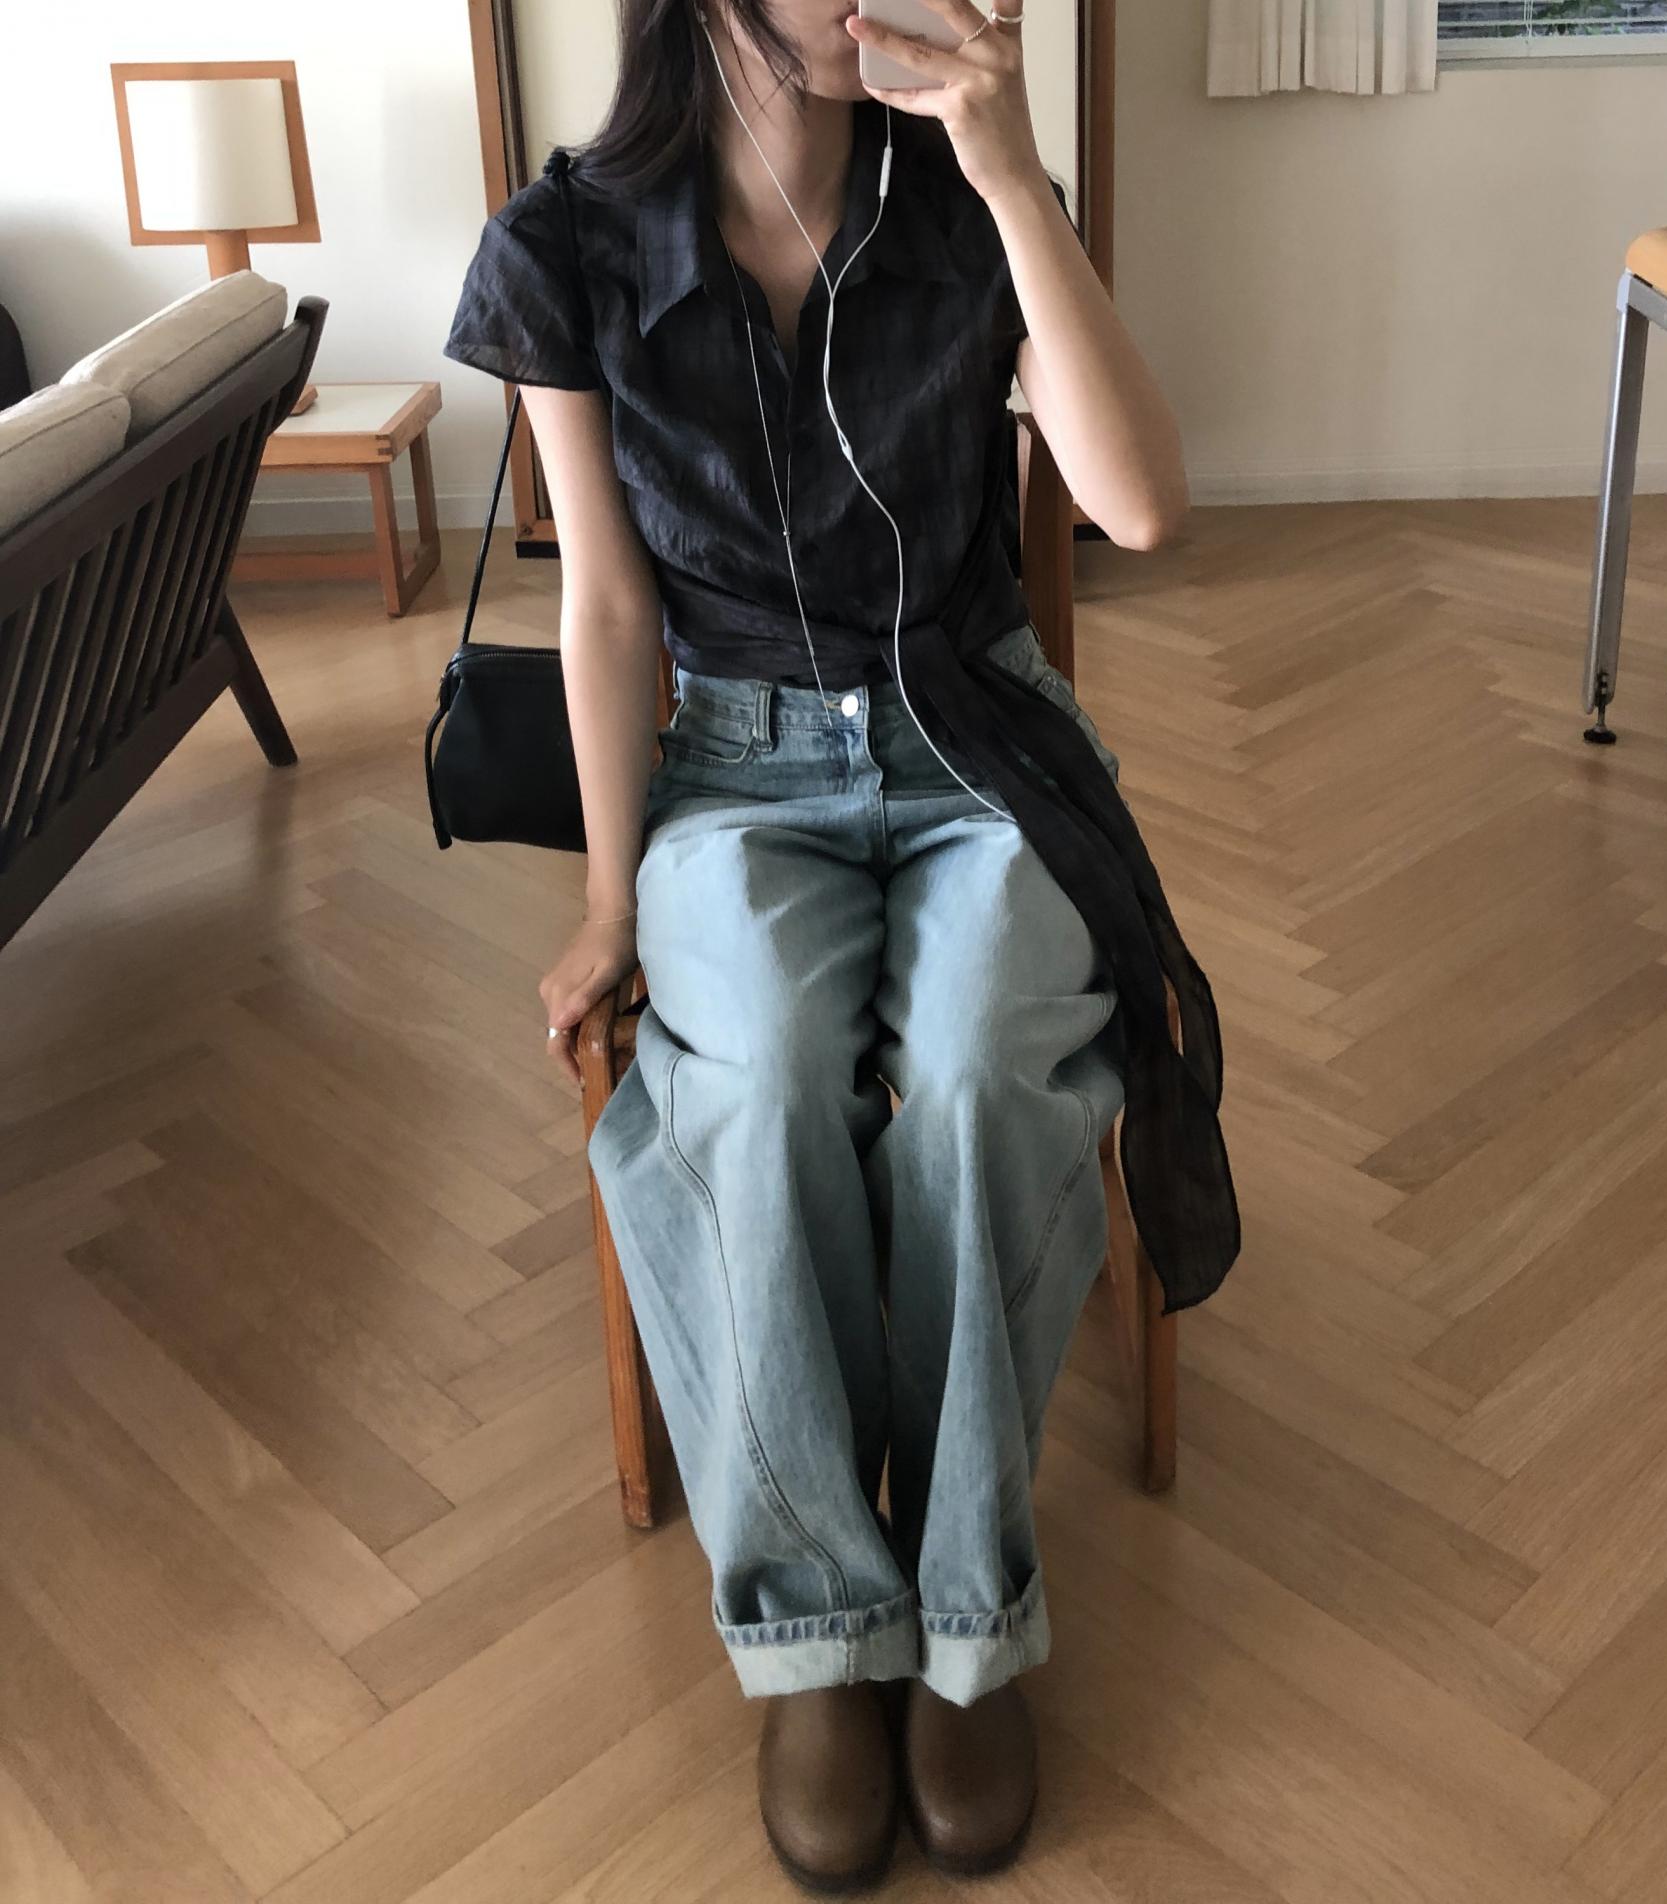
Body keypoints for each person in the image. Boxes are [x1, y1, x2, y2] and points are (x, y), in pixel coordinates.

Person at [444, 0, 1238, 1887]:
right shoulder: (565, 244)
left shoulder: (967, 194)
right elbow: (606, 605)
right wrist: (609, 896)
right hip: (732, 763)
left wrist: (1013, 172)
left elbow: (1138, 506)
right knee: (764, 1079)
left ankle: (963, 1624)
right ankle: (819, 1629)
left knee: (976, 1070)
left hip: (980, 738)